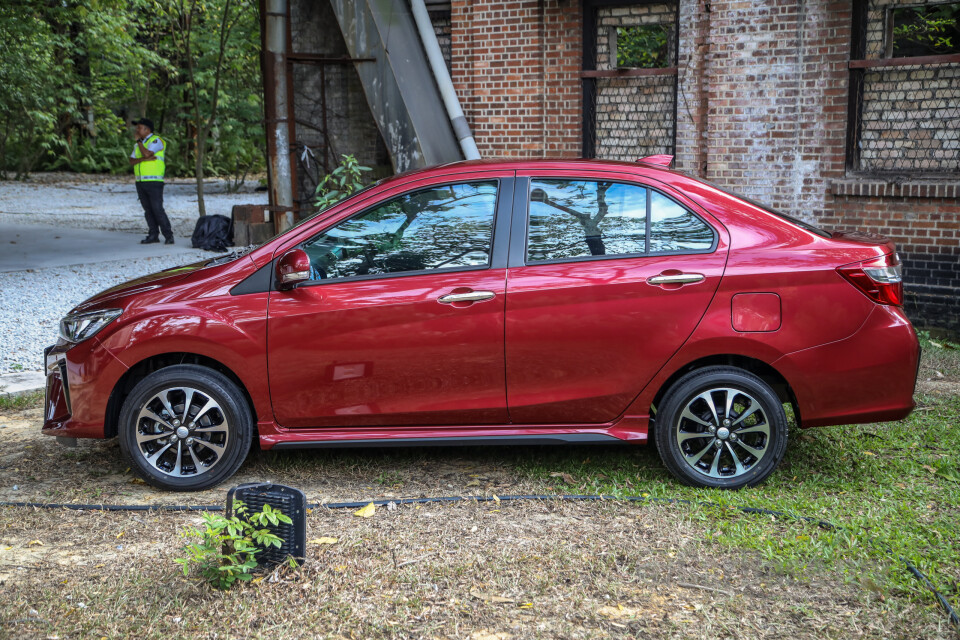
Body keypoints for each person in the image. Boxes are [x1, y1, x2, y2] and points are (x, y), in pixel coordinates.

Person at [129, 118, 173, 245]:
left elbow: (148, 153)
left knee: (157, 209)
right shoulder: (139, 145)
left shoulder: (156, 140)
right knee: (148, 210)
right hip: (140, 181)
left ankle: (168, 235)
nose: (137, 130)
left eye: (139, 128)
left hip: (154, 181)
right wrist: (144, 159)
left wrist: (139, 144)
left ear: (147, 129)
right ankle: (153, 234)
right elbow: (132, 161)